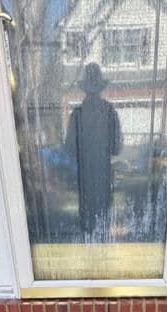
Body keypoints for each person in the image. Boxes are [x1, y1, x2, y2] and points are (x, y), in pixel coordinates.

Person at [65, 63, 123, 241]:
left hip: (85, 176)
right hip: (103, 175)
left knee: (87, 220)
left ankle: (88, 252)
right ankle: (103, 253)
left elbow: (70, 149)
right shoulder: (109, 112)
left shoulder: (77, 114)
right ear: (100, 88)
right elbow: (116, 148)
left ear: (85, 89)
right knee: (103, 219)